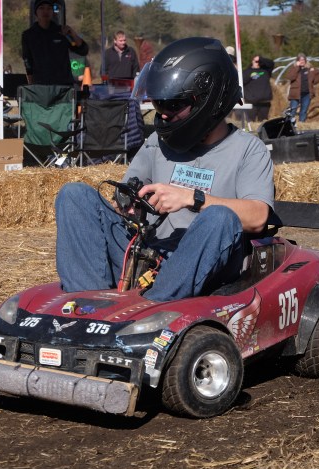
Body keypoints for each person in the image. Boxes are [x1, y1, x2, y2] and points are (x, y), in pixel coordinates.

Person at [54, 37, 274, 302]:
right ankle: (89, 309)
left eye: (172, 105)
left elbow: (259, 216)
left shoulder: (249, 149)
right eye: (159, 104)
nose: (163, 114)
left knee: (220, 217)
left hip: (203, 266)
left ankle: (155, 309)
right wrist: (128, 201)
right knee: (74, 195)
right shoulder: (158, 141)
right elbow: (127, 192)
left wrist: (191, 198)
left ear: (209, 100)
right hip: (148, 256)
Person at [21, 0, 89, 86]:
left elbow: (83, 50)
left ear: (53, 12)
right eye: (42, 8)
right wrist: (31, 83)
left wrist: (73, 33)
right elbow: (27, 60)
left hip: (63, 84)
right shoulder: (28, 35)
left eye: (49, 8)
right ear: (36, 12)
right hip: (40, 84)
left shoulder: (62, 32)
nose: (45, 11)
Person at [286, 53, 319, 122]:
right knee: (293, 110)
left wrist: (314, 81)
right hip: (295, 93)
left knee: (303, 111)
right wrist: (297, 67)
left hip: (306, 94)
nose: (302, 61)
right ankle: (290, 125)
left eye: (303, 59)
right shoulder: (294, 68)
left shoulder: (310, 69)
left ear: (305, 60)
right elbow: (290, 77)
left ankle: (301, 124)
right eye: (300, 60)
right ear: (297, 61)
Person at [242, 54, 274, 122]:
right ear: (252, 61)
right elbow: (241, 82)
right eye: (256, 61)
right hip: (251, 102)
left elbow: (271, 63)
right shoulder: (246, 72)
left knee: (263, 122)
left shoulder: (266, 71)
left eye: (259, 62)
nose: (257, 63)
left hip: (264, 102)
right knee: (250, 122)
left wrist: (260, 59)